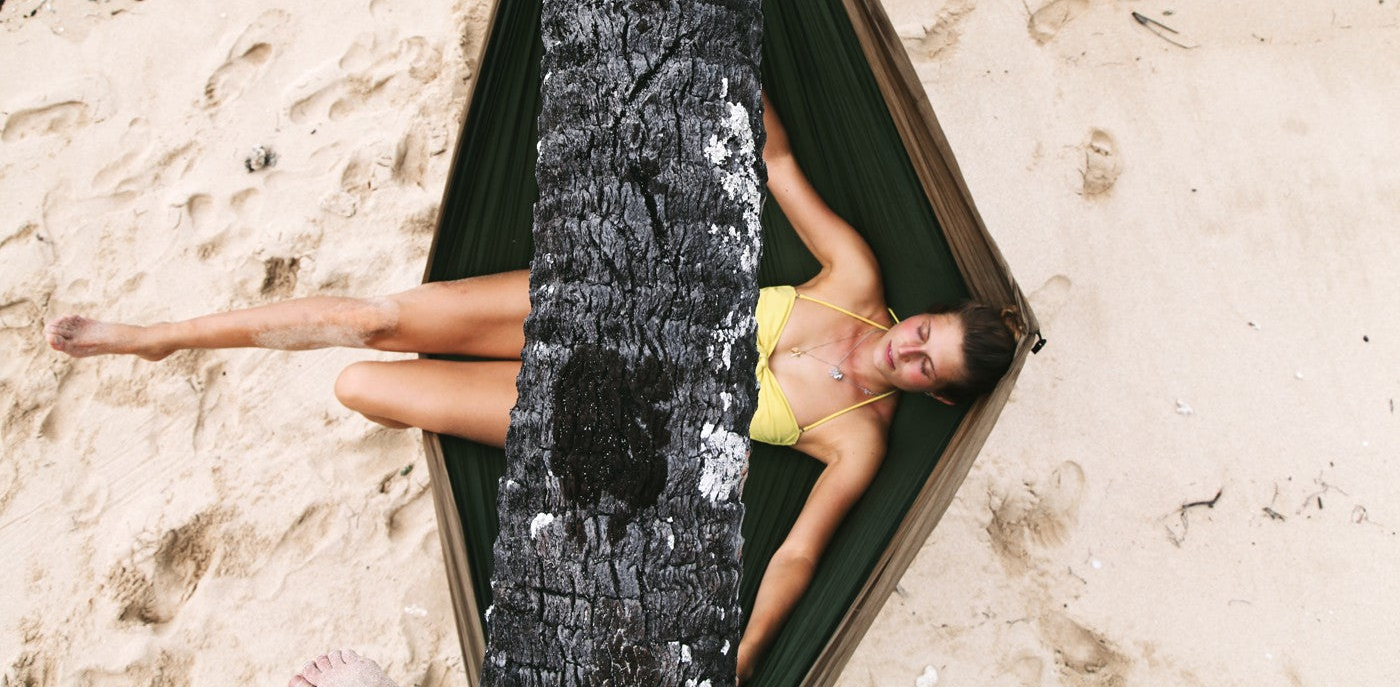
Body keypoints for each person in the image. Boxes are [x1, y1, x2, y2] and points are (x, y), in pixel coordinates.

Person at [45, 94, 1022, 684]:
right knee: (380, 321)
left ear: (934, 394)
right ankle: (158, 337)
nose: (909, 354)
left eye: (928, 368)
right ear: (915, 315)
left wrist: (746, 656)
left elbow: (799, 555)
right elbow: (775, 162)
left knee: (363, 385)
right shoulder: (850, 280)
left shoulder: (857, 439)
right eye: (923, 335)